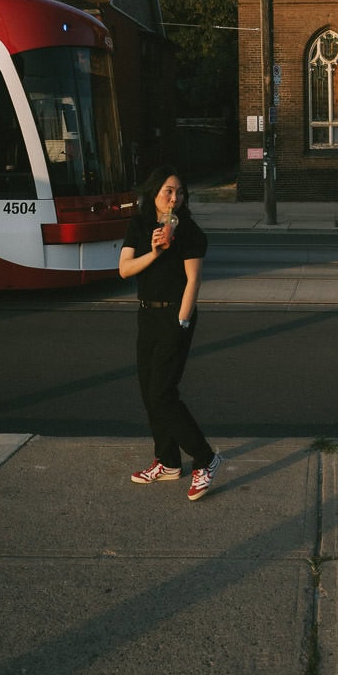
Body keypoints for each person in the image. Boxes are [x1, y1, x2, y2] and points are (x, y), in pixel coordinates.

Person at [119, 165, 221, 501]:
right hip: (146, 315)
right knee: (149, 392)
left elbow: (193, 280)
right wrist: (155, 252)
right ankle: (167, 461)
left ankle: (205, 458)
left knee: (163, 392)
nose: (174, 198)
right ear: (154, 193)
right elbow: (124, 270)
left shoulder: (189, 232)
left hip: (175, 317)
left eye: (179, 192)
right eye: (168, 191)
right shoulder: (139, 225)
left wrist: (181, 321)